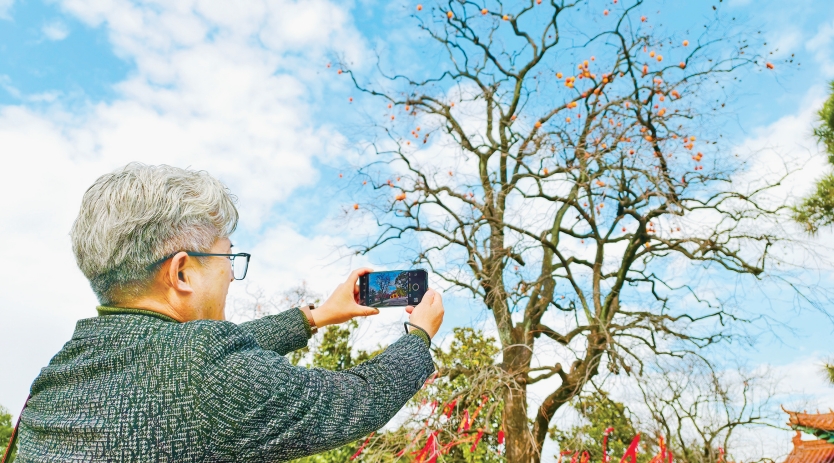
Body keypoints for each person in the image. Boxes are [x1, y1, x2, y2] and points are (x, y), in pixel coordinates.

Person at [15, 163, 444, 462]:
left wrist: (315, 316)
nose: (230, 274)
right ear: (182, 272)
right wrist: (418, 336)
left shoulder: (59, 372)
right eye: (227, 258)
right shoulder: (202, 367)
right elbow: (356, 398)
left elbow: (205, 358)